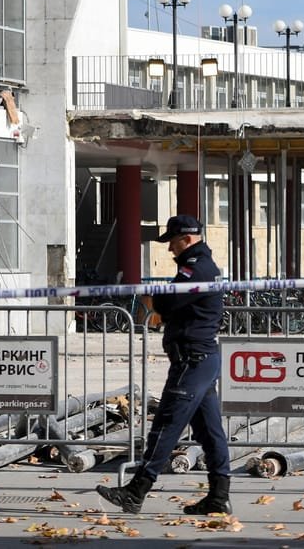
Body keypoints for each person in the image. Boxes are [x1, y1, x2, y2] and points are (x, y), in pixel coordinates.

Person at [96, 214, 232, 516]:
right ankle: (219, 497)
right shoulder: (201, 267)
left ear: (187, 239)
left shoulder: (196, 269)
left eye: (172, 241)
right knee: (210, 432)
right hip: (200, 360)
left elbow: (169, 304)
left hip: (192, 361)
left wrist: (159, 300)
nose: (170, 248)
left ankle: (136, 491)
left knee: (166, 426)